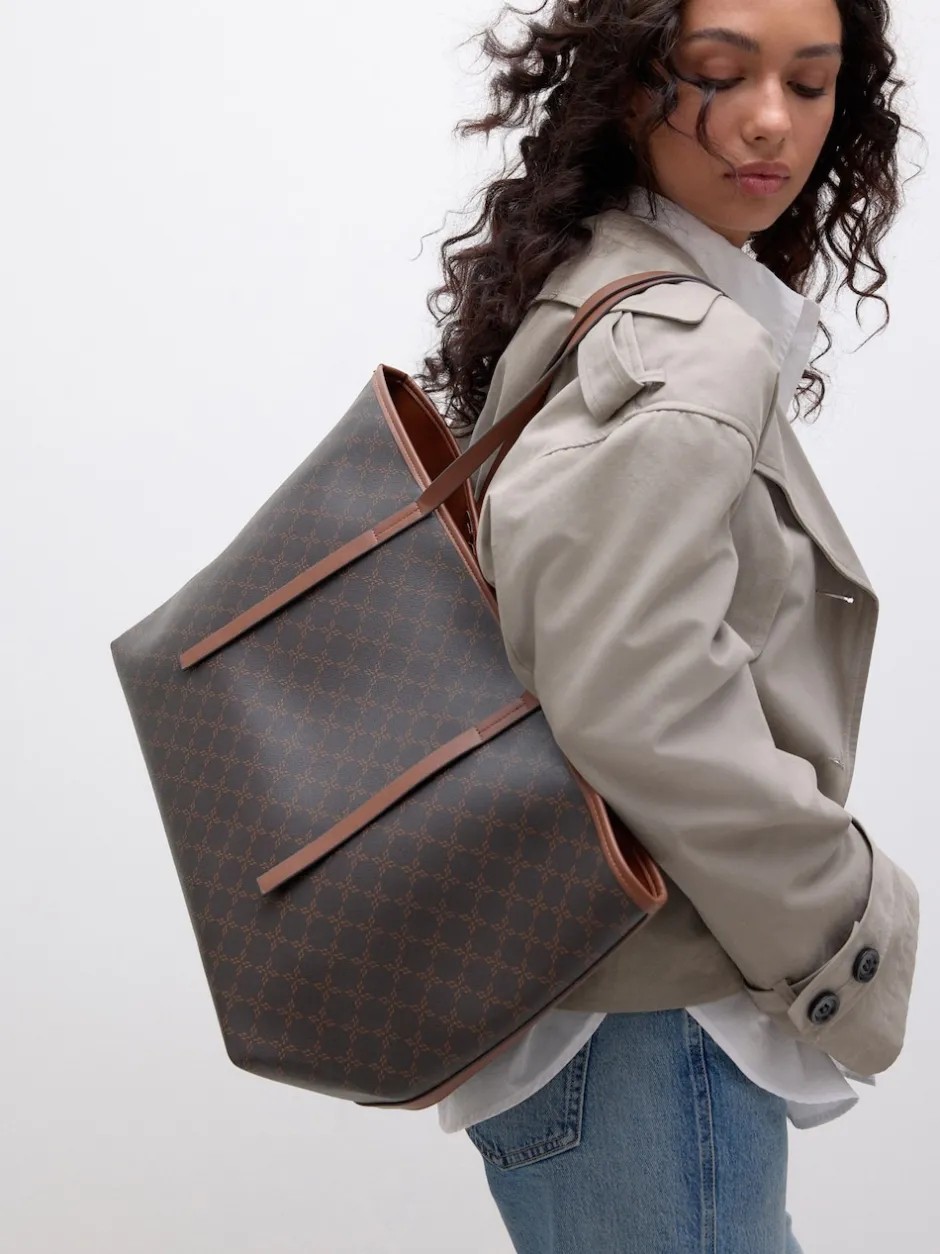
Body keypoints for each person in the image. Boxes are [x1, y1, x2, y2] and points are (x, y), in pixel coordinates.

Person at [416, 1, 922, 1251]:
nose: (770, 122)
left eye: (810, 84)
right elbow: (632, 691)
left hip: (591, 1028)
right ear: (627, 85)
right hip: (649, 1035)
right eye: (716, 73)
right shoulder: (677, 339)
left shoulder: (598, 293)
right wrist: (849, 920)